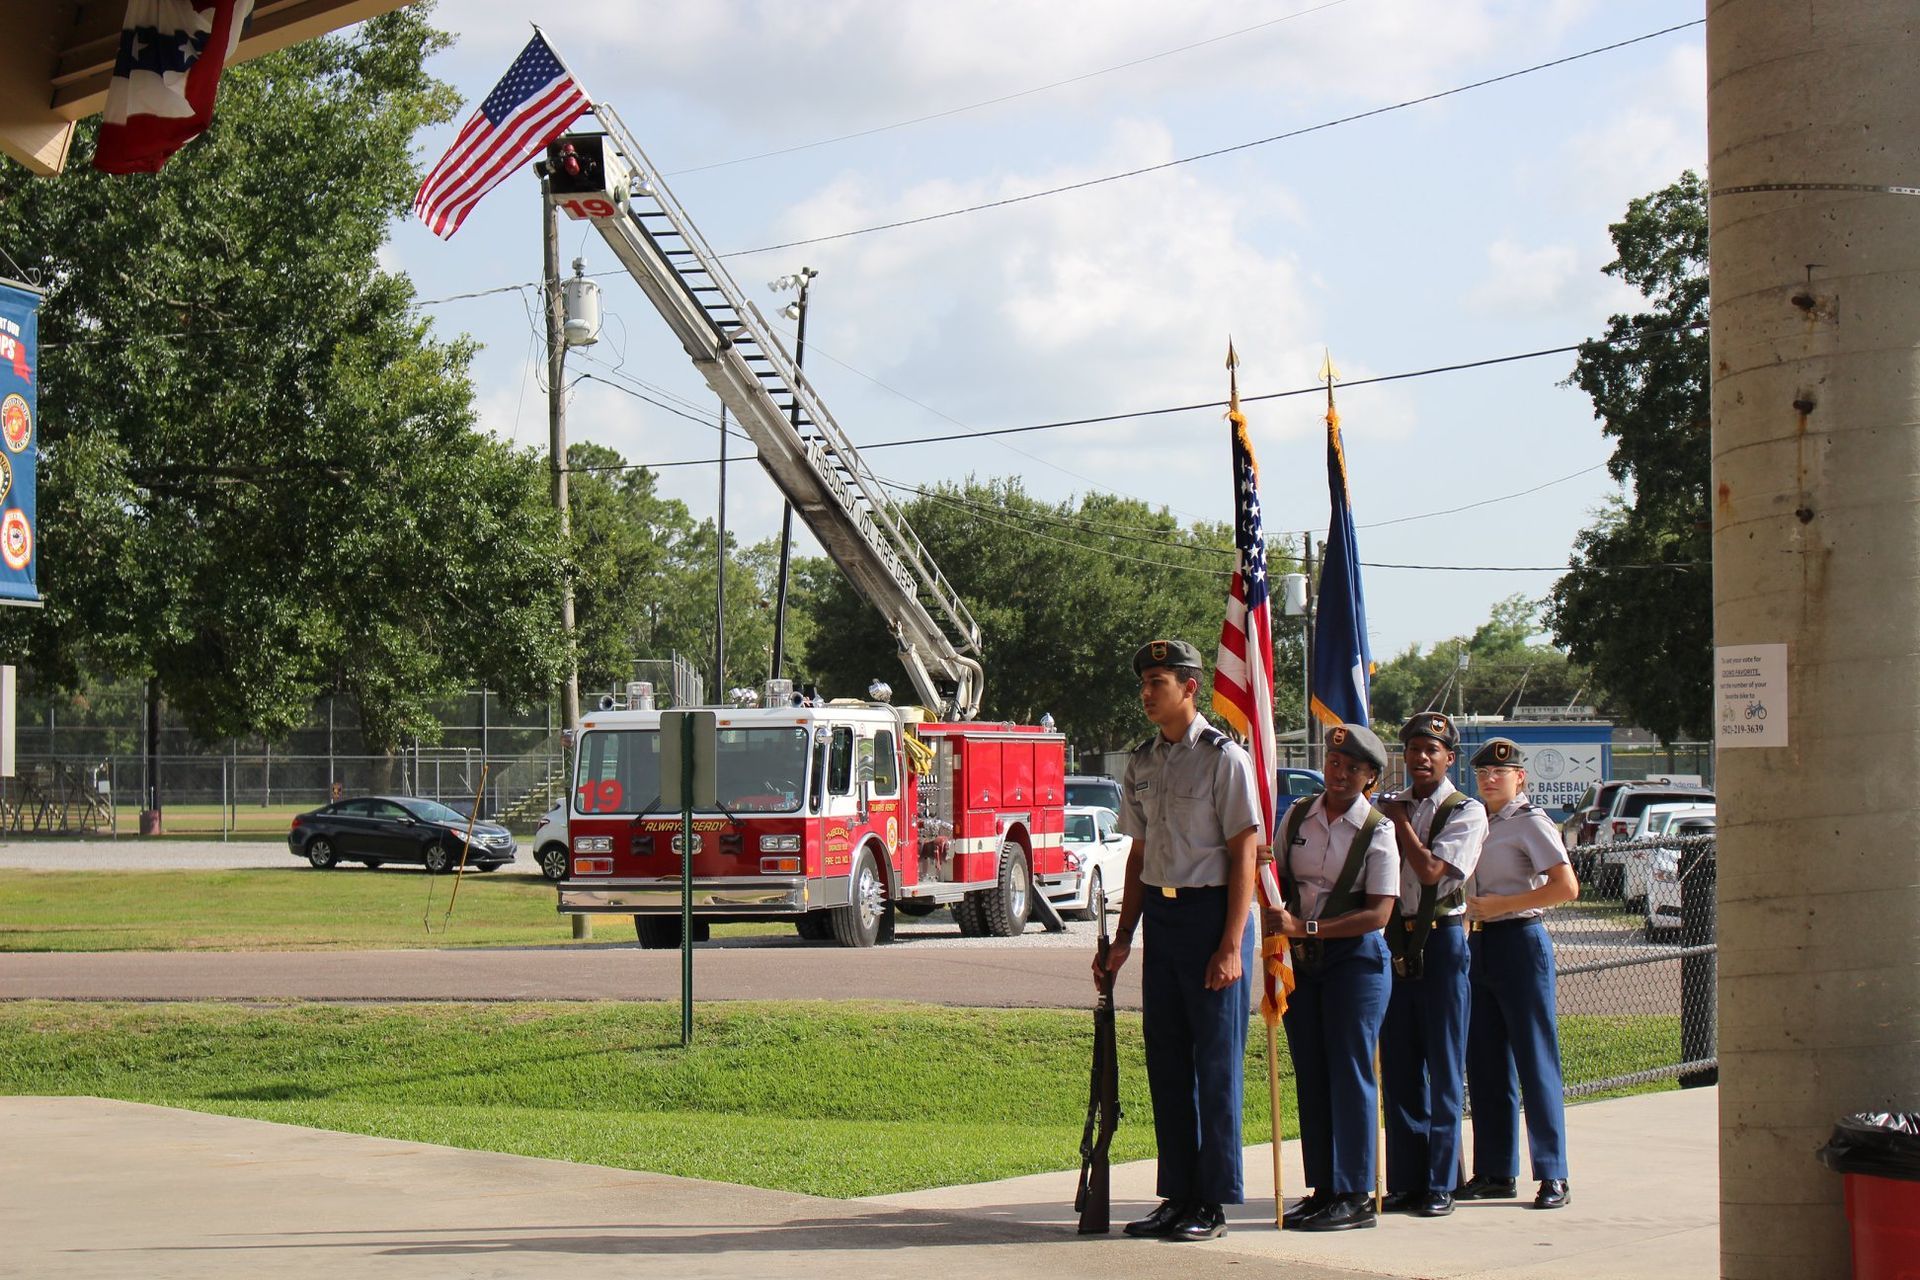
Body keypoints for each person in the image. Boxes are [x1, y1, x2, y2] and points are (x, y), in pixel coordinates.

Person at [1097, 638, 1260, 1244]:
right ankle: (1178, 1195)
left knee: (1215, 1066)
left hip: (1211, 917)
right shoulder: (1142, 761)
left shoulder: (1224, 759)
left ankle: (1212, 1202)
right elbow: (1139, 853)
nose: (1146, 694)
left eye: (1158, 683)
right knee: (1167, 1062)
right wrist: (1121, 938)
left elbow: (1244, 850)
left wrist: (1230, 943)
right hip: (1162, 924)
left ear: (1191, 688)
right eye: (1143, 683)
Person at [1266, 722, 1399, 1232]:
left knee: (1350, 1074)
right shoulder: (1300, 814)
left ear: (1370, 777)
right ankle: (1323, 1187)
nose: (1339, 774)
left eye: (1352, 769)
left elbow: (1379, 913)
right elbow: (1274, 871)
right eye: (1333, 764)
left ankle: (1356, 1193)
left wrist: (1308, 927)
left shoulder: (1377, 830)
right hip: (1303, 965)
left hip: (1356, 963)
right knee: (1314, 1075)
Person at [1457, 737, 1579, 1210]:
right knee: (1485, 1062)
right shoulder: (1472, 820)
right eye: (1484, 772)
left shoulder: (1530, 822)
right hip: (1479, 942)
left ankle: (1553, 1173)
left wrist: (1501, 904)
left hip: (1520, 939)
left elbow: (1566, 887)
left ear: (1520, 777)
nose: (1490, 779)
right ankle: (1494, 1170)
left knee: (1535, 1059)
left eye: (1500, 773)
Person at [1377, 712, 1487, 1219]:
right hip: (1395, 937)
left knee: (1443, 1064)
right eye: (1414, 749)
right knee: (1399, 1063)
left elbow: (1432, 871)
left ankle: (1443, 1180)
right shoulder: (1389, 805)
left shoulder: (1466, 812)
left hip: (1442, 940)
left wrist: (1397, 822)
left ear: (1450, 759)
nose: (1421, 758)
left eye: (1432, 750)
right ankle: (1406, 1177)